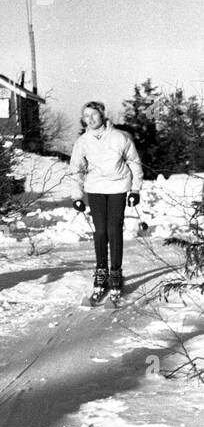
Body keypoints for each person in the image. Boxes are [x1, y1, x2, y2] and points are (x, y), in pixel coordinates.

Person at [69, 100, 142, 303]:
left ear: (102, 115)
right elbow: (75, 169)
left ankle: (116, 274)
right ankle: (101, 273)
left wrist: (135, 189)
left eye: (93, 115)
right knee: (100, 231)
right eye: (86, 116)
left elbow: (134, 162)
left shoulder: (120, 137)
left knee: (113, 229)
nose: (90, 119)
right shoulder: (82, 142)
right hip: (95, 188)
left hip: (118, 187)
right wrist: (77, 196)